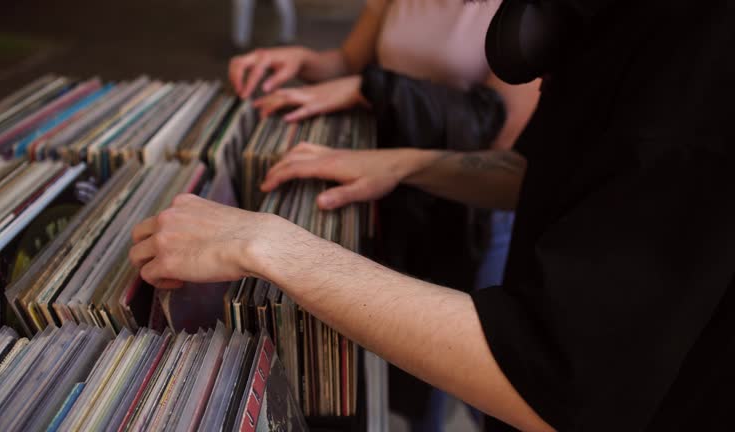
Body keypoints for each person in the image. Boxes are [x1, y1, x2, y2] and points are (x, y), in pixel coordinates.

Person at [131, 0, 735, 430]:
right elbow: (543, 172)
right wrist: (408, 164)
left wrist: (270, 245)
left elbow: (555, 384)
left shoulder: (704, 54)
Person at [230, 3, 540, 426]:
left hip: (473, 213)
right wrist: (305, 60)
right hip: (389, 192)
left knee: (487, 380)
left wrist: (372, 89)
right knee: (408, 358)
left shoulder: (528, 11)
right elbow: (347, 61)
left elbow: (500, 129)